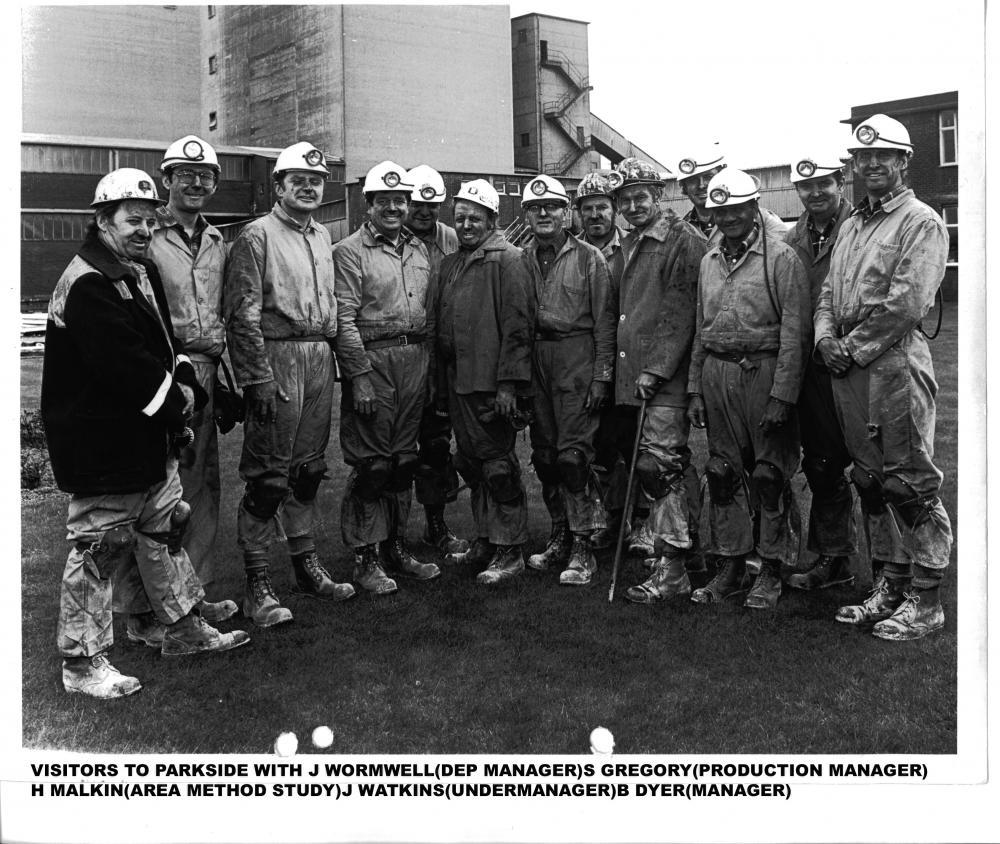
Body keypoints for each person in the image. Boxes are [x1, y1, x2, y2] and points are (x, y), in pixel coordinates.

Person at [42, 168, 250, 699]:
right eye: (132, 218)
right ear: (102, 220)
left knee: (164, 529)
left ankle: (180, 628)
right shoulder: (88, 281)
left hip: (145, 436)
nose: (143, 227)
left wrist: (184, 382)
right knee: (100, 546)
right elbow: (126, 366)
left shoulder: (135, 269)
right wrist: (178, 399)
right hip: (102, 442)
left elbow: (164, 341)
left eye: (149, 219)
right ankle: (82, 662)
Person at [815, 114, 952, 640]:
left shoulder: (922, 222)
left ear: (903, 162)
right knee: (869, 481)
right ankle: (891, 583)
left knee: (909, 482)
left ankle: (927, 596)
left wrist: (850, 347)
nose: (870, 164)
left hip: (893, 362)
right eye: (861, 157)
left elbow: (907, 303)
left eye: (882, 156)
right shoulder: (852, 224)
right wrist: (826, 338)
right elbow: (829, 292)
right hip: (848, 364)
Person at [225, 141, 355, 628]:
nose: (307, 186)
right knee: (268, 479)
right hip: (277, 357)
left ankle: (305, 567)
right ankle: (257, 581)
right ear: (278, 186)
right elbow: (242, 313)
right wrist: (255, 376)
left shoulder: (324, 236)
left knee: (308, 472)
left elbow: (337, 309)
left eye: (316, 180)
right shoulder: (257, 235)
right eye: (296, 179)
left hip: (319, 355)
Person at [122, 135, 237, 637]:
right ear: (165, 179)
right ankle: (138, 609)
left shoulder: (216, 241)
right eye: (183, 174)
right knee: (152, 488)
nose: (195, 183)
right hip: (161, 371)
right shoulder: (150, 234)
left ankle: (191, 596)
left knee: (201, 482)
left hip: (206, 371)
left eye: (205, 176)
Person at [687, 168, 810, 610]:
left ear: (753, 207)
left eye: (738, 208)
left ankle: (772, 567)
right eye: (722, 210)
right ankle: (732, 563)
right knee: (721, 473)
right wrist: (694, 391)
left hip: (764, 370)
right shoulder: (708, 260)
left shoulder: (780, 258)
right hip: (717, 373)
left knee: (768, 475)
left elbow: (796, 333)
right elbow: (702, 327)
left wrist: (783, 395)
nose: (730, 217)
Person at [334, 161, 441, 596]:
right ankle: (366, 557)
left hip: (415, 358)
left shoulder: (419, 248)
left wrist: (429, 369)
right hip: (373, 361)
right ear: (370, 204)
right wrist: (358, 376)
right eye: (385, 201)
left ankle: (396, 547)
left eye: (401, 201)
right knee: (373, 464)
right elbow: (343, 318)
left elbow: (428, 314)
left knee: (403, 462)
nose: (394, 208)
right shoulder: (349, 251)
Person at [604, 157, 707, 604]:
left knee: (659, 467)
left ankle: (673, 568)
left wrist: (656, 368)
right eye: (624, 199)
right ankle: (688, 551)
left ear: (659, 195)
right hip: (636, 377)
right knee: (665, 465)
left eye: (640, 196)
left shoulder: (683, 241)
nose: (632, 205)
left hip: (665, 378)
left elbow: (680, 313)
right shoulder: (630, 241)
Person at [434, 180, 534, 584]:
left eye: (475, 217)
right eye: (460, 217)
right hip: (459, 383)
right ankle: (486, 539)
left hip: (492, 386)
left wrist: (509, 385)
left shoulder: (508, 259)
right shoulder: (452, 262)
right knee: (470, 464)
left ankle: (510, 550)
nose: (467, 223)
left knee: (497, 467)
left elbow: (518, 327)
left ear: (492, 219)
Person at [520, 175, 615, 586]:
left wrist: (601, 377)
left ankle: (583, 546)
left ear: (566, 213)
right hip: (535, 358)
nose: (544, 214)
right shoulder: (518, 259)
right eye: (536, 208)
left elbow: (606, 321)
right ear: (526, 214)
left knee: (573, 458)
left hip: (577, 357)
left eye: (553, 207)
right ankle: (559, 533)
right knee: (544, 456)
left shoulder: (589, 257)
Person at [783, 152, 857, 590]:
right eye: (806, 187)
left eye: (823, 183)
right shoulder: (793, 238)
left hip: (860, 361)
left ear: (840, 181)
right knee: (823, 466)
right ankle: (835, 559)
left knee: (877, 472)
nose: (815, 193)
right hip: (815, 368)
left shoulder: (861, 228)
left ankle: (897, 571)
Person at [403, 164, 467, 557]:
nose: (424, 211)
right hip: (401, 352)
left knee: (436, 445)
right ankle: (386, 536)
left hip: (441, 358)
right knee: (392, 451)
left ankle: (435, 524)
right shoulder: (394, 235)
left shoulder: (453, 239)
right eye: (417, 203)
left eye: (433, 204)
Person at [575, 171, 628, 550]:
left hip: (629, 363)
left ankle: (641, 523)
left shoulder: (633, 247)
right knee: (600, 449)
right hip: (584, 365)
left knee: (634, 445)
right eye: (588, 209)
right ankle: (610, 520)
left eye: (602, 208)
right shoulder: (572, 253)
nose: (596, 215)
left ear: (614, 211)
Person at [675, 145, 787, 244]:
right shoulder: (681, 228)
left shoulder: (760, 219)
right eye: (692, 180)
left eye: (708, 177)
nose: (701, 185)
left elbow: (785, 255)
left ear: (722, 176)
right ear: (684, 186)